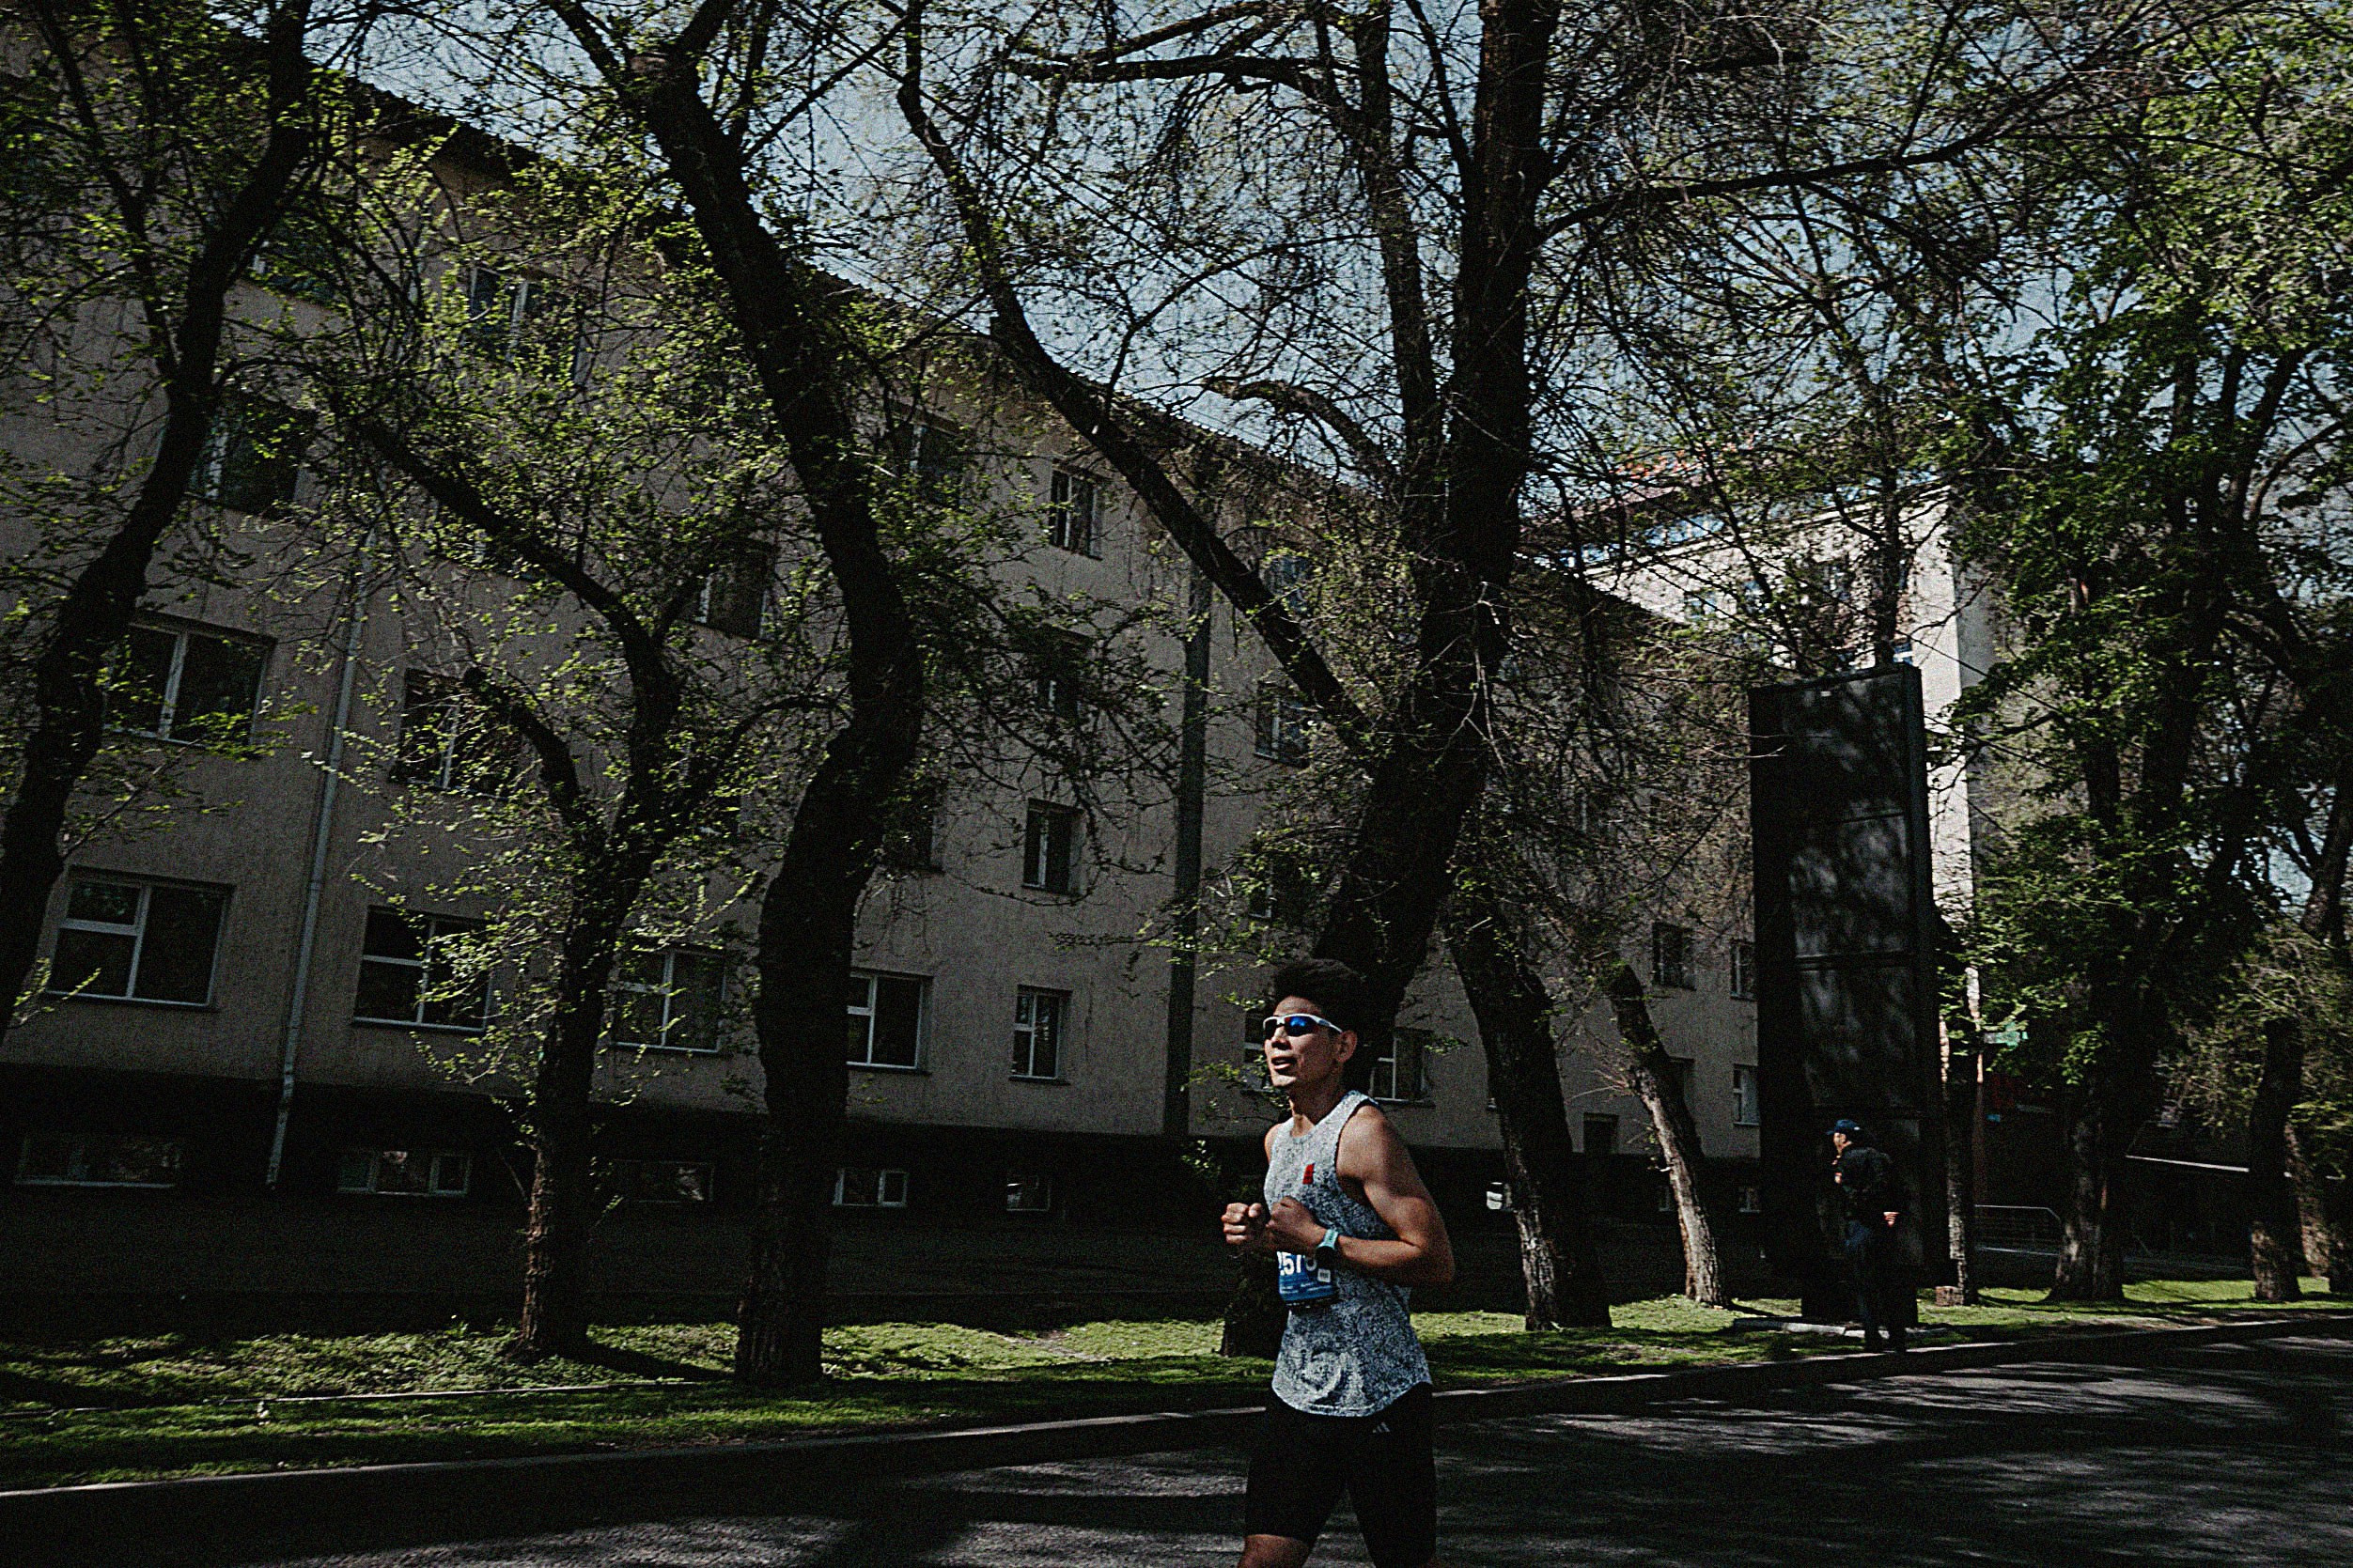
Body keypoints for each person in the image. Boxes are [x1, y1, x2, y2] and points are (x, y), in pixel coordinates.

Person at [1221, 958, 1457, 1568]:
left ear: (1342, 1043)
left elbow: (1433, 1260)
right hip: (1300, 1384)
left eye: (1297, 1025)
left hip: (1378, 1392)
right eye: (1270, 1024)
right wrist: (1260, 1238)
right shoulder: (1279, 1139)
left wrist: (1319, 1238)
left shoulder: (1364, 1132)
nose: (1276, 1038)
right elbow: (1298, 1246)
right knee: (1262, 1558)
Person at [1830, 1117, 1907, 1352]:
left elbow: (1849, 1195)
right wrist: (1892, 1212)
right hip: (1884, 1229)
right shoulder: (1881, 1158)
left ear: (1842, 1137)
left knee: (1865, 1285)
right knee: (1889, 1284)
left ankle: (1873, 1337)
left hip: (1861, 1226)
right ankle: (1897, 1337)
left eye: (1835, 1136)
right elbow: (1898, 1189)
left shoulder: (1846, 1162)